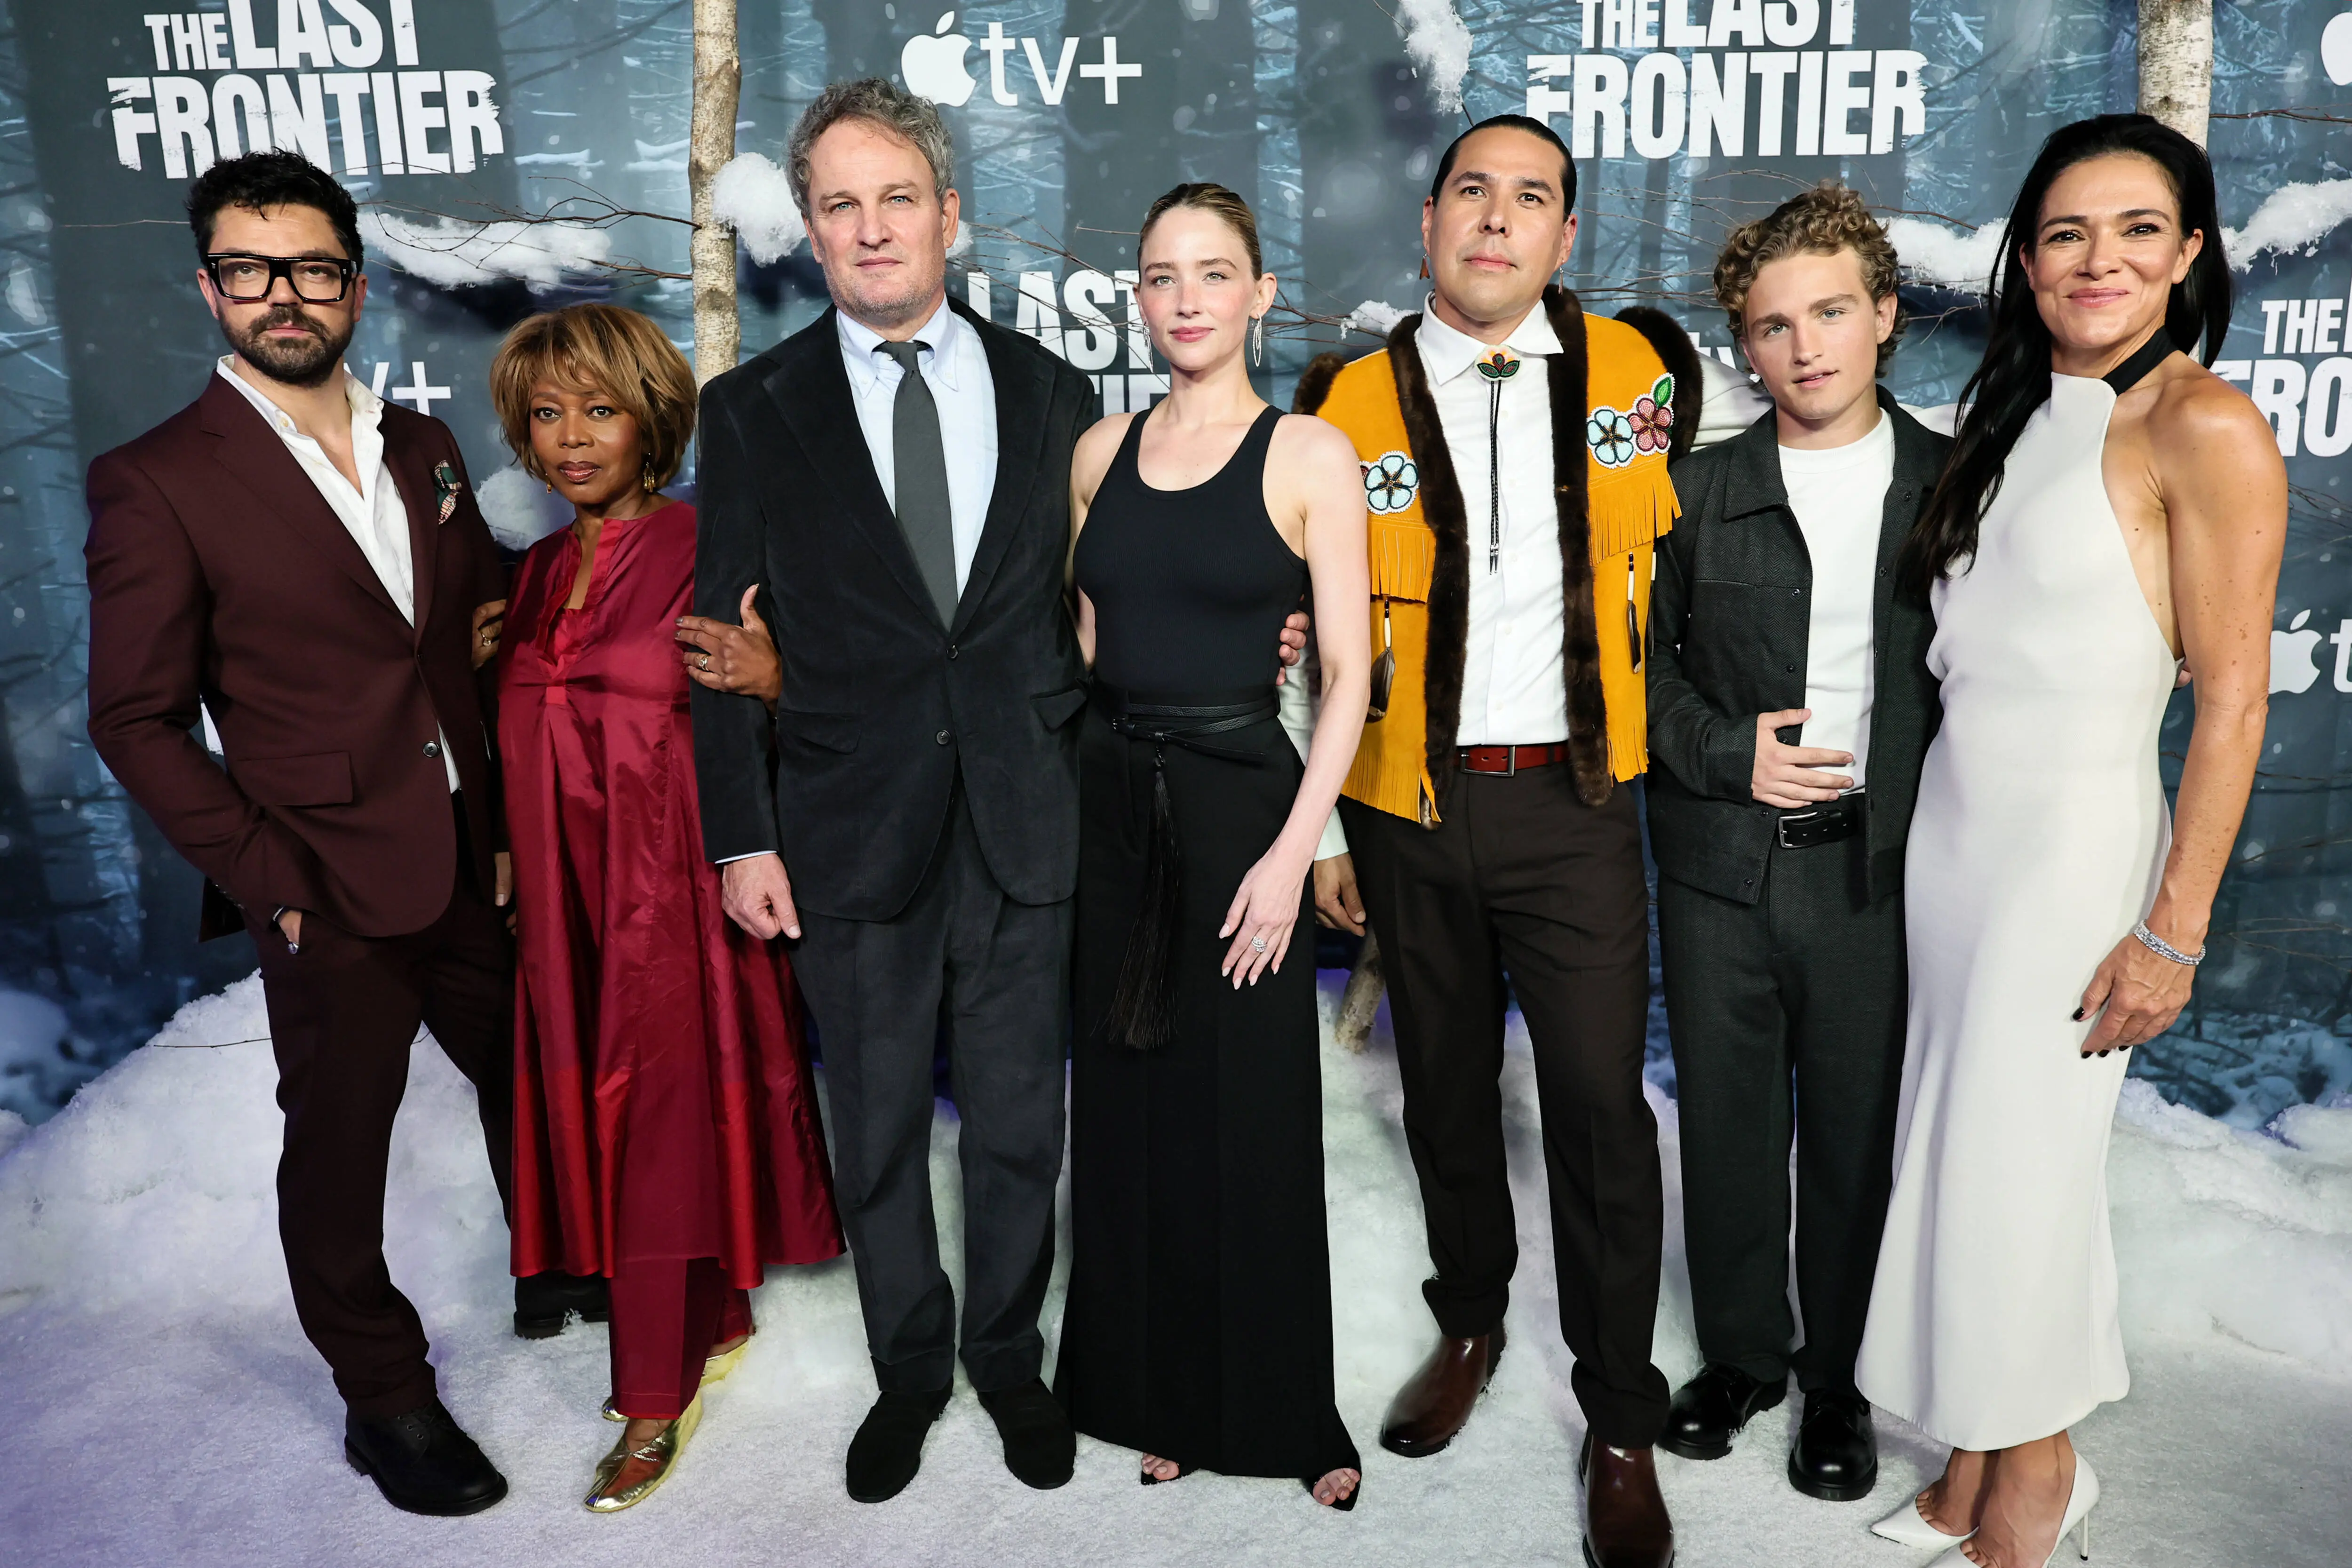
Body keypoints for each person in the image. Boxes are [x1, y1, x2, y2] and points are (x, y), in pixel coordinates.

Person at [1856, 114, 2284, 1568]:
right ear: (2029, 261)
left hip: (2072, 860)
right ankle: (1977, 1454)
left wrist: (2173, 928)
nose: (2099, 260)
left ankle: (2037, 1478)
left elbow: (2233, 702)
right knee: (1965, 1156)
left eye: (2137, 229)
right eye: (2066, 233)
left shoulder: (2200, 423)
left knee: (2016, 1172)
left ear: (2190, 252)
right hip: (1959, 846)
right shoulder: (2025, 413)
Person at [82, 151, 520, 1516]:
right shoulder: (158, 479)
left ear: (355, 285)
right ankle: (384, 1398)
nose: (285, 293)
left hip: (470, 852)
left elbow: (467, 634)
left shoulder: (424, 447)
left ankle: (564, 1273)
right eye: (251, 268)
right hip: (319, 878)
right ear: (210, 287)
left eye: (313, 268)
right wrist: (272, 880)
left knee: (540, 1079)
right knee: (339, 1148)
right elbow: (135, 719)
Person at [1292, 114, 1698, 1568]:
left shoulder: (1642, 376)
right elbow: (1305, 635)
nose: (1497, 218)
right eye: (1473, 189)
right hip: (1410, 802)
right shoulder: (1344, 401)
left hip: (1575, 804)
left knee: (1598, 1106)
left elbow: (1688, 566)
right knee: (1448, 1091)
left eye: (1532, 197)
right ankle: (1470, 1318)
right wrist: (1326, 823)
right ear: (1430, 221)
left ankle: (1621, 1414)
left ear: (1565, 235)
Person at [486, 304, 844, 1513]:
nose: (573, 438)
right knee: (621, 1119)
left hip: (673, 904)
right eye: (548, 414)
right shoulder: (537, 573)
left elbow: (835, 695)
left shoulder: (705, 546)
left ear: (652, 422)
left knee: (653, 1122)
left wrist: (779, 677)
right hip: (566, 914)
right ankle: (719, 1311)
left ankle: (651, 1390)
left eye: (601, 410)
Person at [1055, 183, 1372, 1508]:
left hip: (1247, 803)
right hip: (1114, 805)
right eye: (1161, 275)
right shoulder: (1097, 452)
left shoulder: (1310, 454)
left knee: (1254, 1119)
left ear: (1259, 292)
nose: (1186, 299)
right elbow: (1088, 639)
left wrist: (1293, 855)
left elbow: (1349, 676)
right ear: (1139, 297)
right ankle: (1158, 1394)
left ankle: (1292, 1412)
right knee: (1136, 1115)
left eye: (1214, 273)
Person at [1644, 184, 1948, 1501]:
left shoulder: (1955, 484)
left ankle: (1838, 1377)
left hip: (1877, 870)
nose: (1805, 346)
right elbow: (1633, 671)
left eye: (1830, 312)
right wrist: (1728, 752)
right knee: (1724, 1123)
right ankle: (1741, 1358)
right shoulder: (1693, 492)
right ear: (1744, 346)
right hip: (1720, 863)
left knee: (1855, 1131)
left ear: (1883, 315)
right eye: (1773, 326)